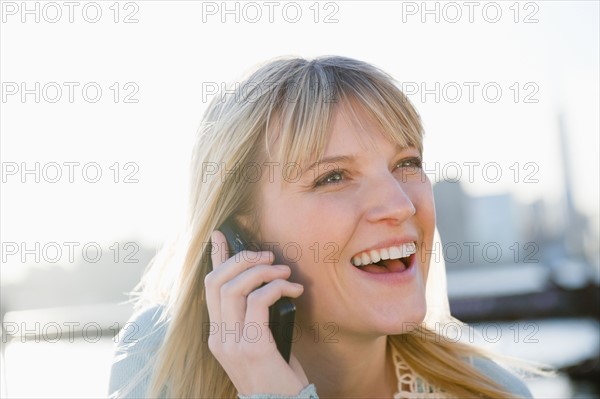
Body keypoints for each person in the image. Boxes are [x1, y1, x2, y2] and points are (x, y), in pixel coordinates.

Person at [108, 56, 534, 398]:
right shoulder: (157, 362)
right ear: (242, 232)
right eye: (333, 177)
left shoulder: (493, 392)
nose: (400, 205)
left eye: (406, 164)